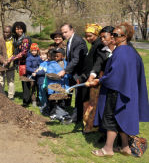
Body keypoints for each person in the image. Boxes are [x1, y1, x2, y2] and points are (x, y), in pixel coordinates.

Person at [91, 22, 149, 157]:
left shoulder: (121, 52)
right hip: (127, 90)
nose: (113, 37)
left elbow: (114, 75)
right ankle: (125, 147)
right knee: (122, 117)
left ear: (124, 37)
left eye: (116, 35)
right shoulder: (130, 51)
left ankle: (107, 149)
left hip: (117, 91)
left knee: (110, 118)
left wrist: (99, 80)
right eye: (113, 34)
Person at [76, 24, 104, 131]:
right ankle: (87, 123)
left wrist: (91, 76)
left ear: (96, 34)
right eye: (86, 36)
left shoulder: (99, 45)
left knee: (91, 102)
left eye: (90, 36)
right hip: (87, 77)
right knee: (86, 101)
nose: (88, 38)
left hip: (93, 79)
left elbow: (98, 63)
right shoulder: (94, 44)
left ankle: (90, 126)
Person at [58, 23, 88, 123]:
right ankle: (73, 113)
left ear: (72, 30)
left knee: (79, 96)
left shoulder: (78, 41)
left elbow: (76, 59)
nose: (64, 35)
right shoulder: (69, 41)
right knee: (73, 93)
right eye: (63, 33)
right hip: (74, 72)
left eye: (66, 32)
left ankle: (76, 118)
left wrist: (65, 70)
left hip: (81, 73)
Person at [10, 21, 32, 107]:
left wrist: (12, 58)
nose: (19, 30)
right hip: (21, 63)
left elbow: (24, 52)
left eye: (20, 28)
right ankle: (28, 98)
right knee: (24, 81)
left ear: (23, 29)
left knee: (25, 81)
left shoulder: (25, 38)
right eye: (17, 28)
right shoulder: (16, 39)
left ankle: (26, 101)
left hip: (26, 62)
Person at [47, 48, 71, 123]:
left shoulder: (67, 64)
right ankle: (52, 114)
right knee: (53, 100)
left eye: (58, 54)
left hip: (63, 86)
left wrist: (66, 75)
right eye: (54, 54)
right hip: (54, 86)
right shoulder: (51, 63)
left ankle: (61, 114)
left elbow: (69, 74)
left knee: (61, 101)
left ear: (63, 56)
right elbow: (49, 73)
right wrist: (57, 76)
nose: (55, 56)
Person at [0, 26, 15, 100]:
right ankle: (1, 96)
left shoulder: (14, 40)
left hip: (11, 63)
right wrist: (3, 61)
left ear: (11, 33)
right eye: (4, 32)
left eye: (7, 32)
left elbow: (16, 51)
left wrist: (12, 58)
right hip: (0, 64)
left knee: (11, 81)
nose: (5, 33)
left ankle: (11, 96)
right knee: (1, 81)